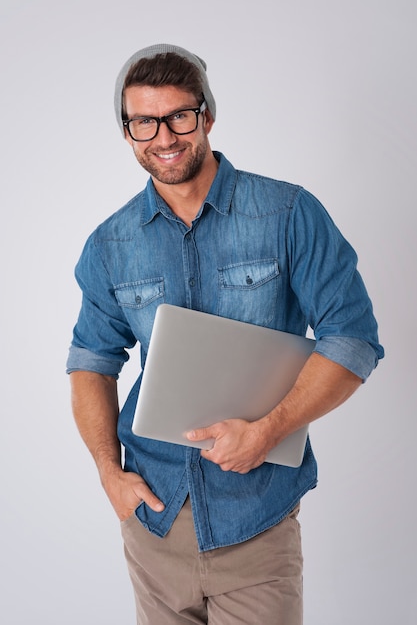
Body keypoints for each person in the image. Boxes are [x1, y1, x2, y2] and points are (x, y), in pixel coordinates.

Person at [67, 43, 384, 625]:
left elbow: (354, 336)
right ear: (127, 132)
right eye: (144, 123)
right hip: (153, 520)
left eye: (179, 117)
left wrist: (270, 430)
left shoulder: (288, 213)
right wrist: (110, 475)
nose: (164, 138)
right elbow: (91, 360)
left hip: (255, 520)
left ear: (207, 116)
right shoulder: (109, 244)